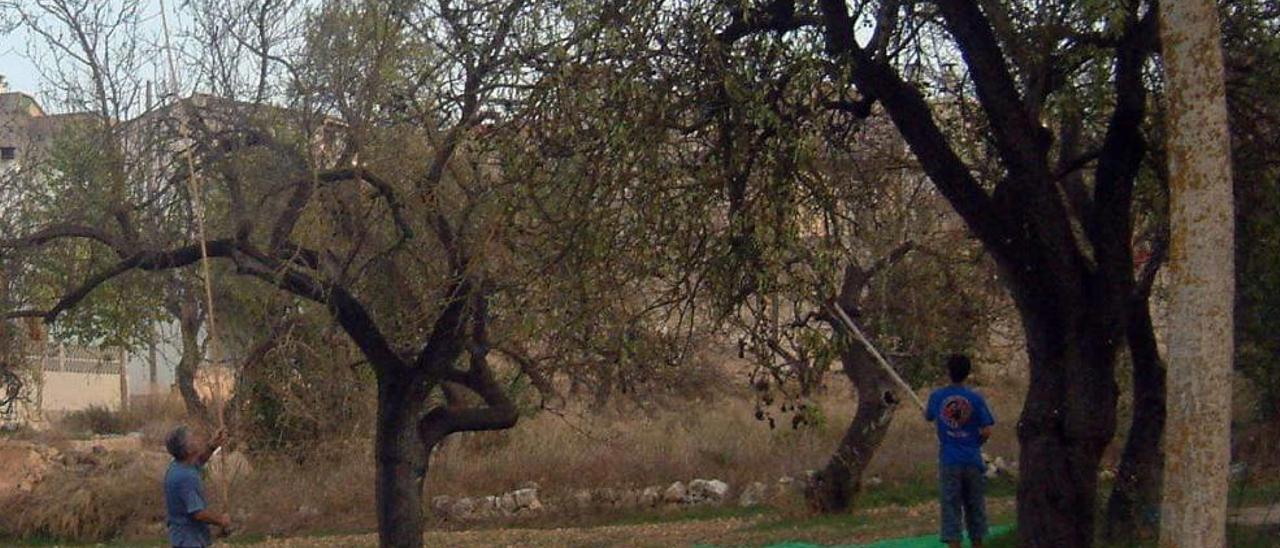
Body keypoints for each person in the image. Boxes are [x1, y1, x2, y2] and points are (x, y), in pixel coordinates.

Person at [925, 354, 994, 548]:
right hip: (972, 458)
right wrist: (975, 443)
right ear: (968, 373)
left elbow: (929, 415)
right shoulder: (975, 398)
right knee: (975, 507)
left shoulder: (937, 396)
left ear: (948, 372)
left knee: (951, 508)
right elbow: (987, 429)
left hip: (949, 460)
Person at [164, 425, 232, 547]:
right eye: (193, 439)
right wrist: (222, 521)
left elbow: (199, 461)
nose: (197, 439)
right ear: (188, 450)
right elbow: (198, 513)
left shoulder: (179, 465)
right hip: (188, 540)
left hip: (184, 537)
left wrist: (213, 445)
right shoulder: (185, 478)